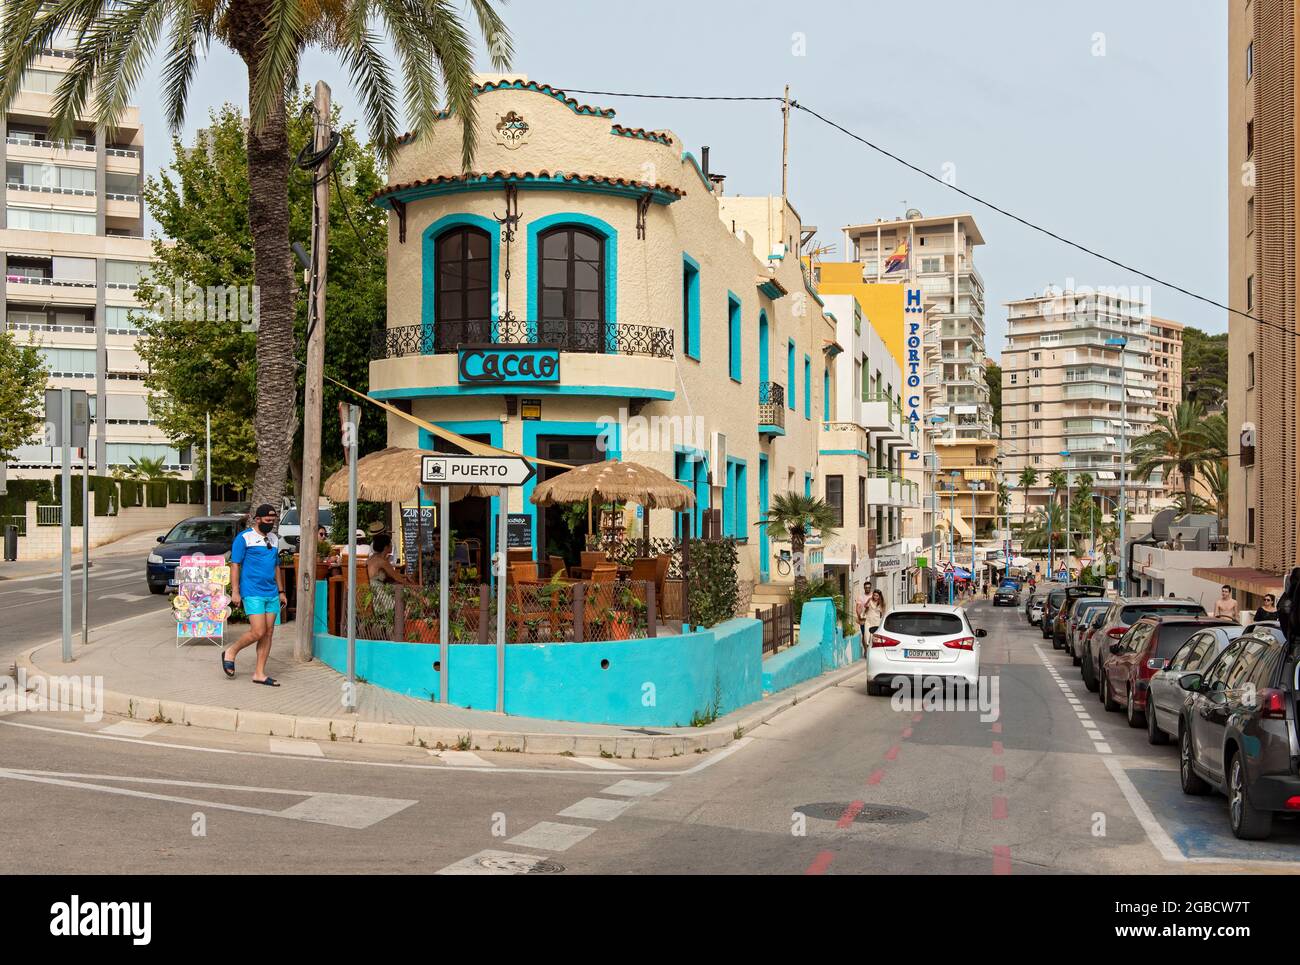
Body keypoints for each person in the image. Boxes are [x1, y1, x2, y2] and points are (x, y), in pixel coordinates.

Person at [222, 503, 286, 686]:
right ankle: (231, 651)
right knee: (258, 631)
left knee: (268, 632)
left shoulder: (273, 539)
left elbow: (276, 567)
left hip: (271, 592)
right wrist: (235, 591)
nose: (270, 524)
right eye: (267, 520)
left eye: (273, 521)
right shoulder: (244, 538)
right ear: (257, 519)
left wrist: (281, 591)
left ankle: (259, 673)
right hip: (252, 591)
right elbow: (235, 564)